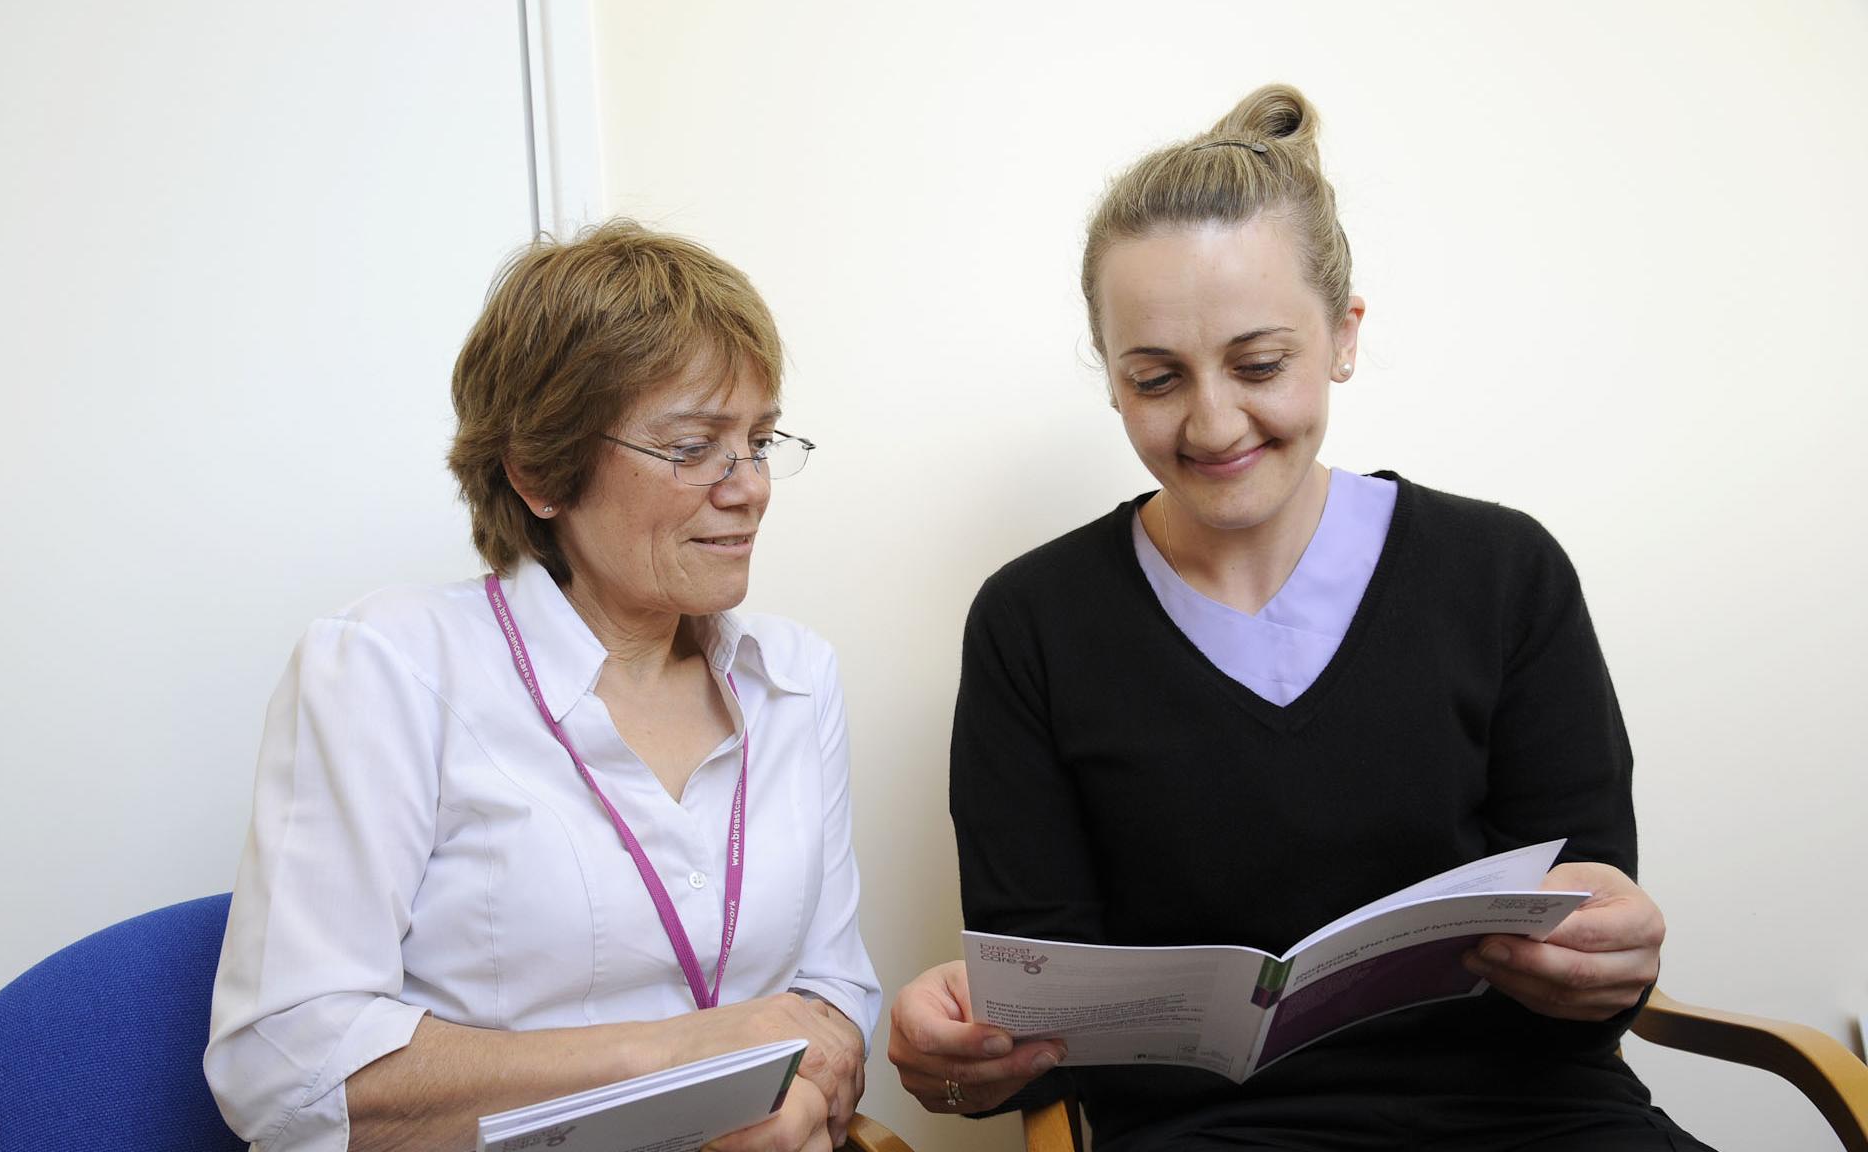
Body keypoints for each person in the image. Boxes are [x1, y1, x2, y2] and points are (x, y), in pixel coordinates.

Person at [886, 85, 1710, 1150]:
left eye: (1259, 363)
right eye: (1154, 378)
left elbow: (1590, 924)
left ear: (1343, 335)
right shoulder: (1032, 622)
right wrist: (961, 1056)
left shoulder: (1503, 573)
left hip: (1534, 1123)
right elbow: (1032, 1010)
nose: (1212, 421)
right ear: (1109, 376)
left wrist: (1605, 958)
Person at [206, 221, 880, 1152]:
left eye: (759, 440)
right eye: (694, 447)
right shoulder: (387, 667)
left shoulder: (796, 679)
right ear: (541, 473)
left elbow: (834, 988)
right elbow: (284, 1064)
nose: (751, 487)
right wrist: (674, 1062)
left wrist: (803, 1096)